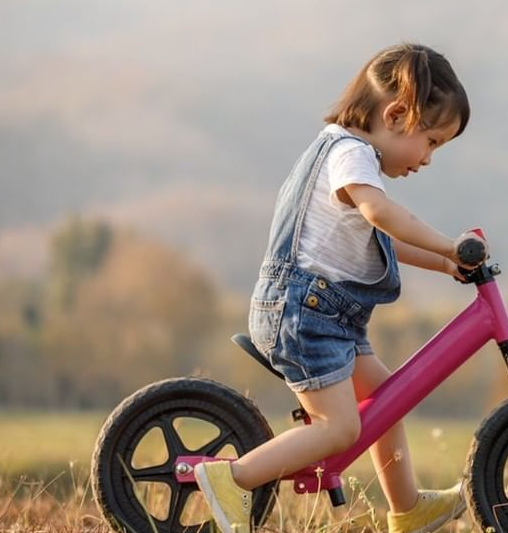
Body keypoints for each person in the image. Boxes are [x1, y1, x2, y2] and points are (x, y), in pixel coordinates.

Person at [194, 43, 485, 533]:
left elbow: (383, 239)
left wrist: (445, 263)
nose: (429, 158)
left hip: (326, 316)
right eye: (431, 141)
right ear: (395, 115)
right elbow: (382, 215)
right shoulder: (350, 155)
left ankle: (407, 508)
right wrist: (450, 245)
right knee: (340, 427)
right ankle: (232, 480)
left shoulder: (347, 155)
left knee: (390, 396)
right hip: (303, 315)